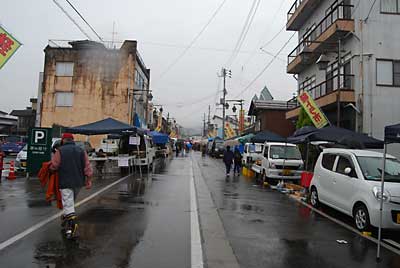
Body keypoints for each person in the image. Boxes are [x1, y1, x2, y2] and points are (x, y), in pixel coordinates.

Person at [50, 133, 93, 239]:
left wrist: (50, 169)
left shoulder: (60, 151)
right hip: (78, 181)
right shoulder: (81, 151)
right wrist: (88, 179)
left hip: (65, 181)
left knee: (68, 203)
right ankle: (65, 218)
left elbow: (55, 165)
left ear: (63, 140)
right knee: (70, 202)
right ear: (72, 140)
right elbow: (87, 166)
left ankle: (72, 225)